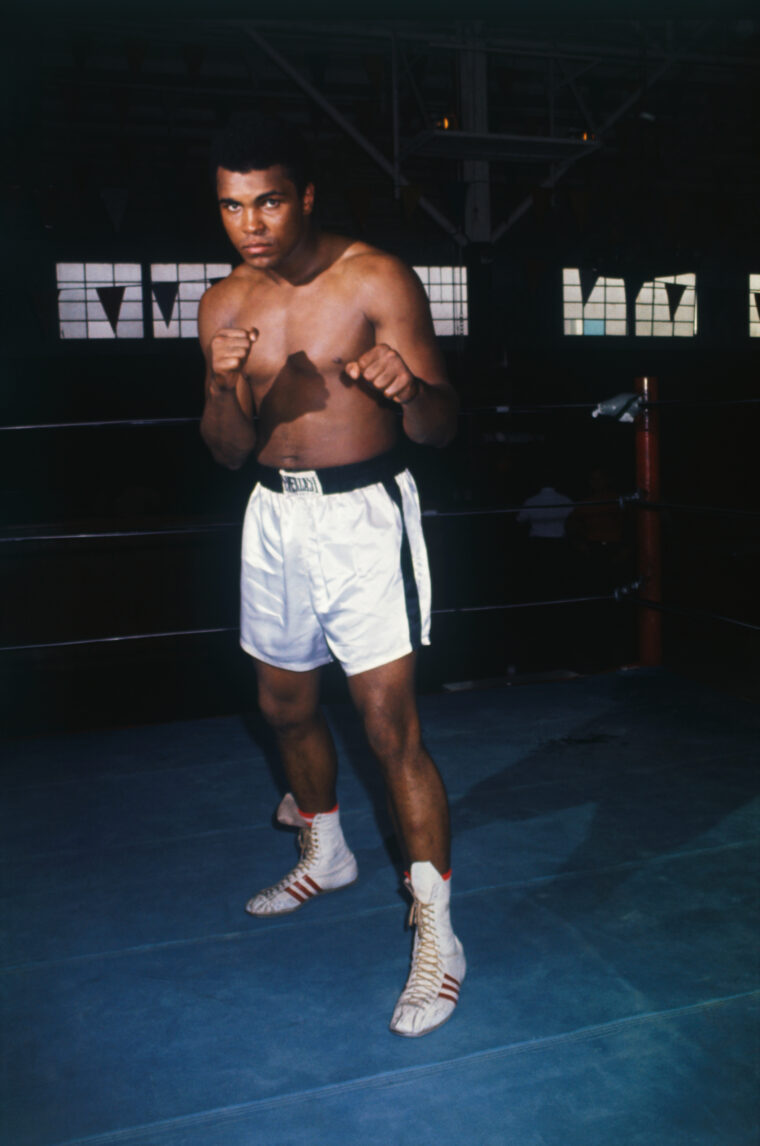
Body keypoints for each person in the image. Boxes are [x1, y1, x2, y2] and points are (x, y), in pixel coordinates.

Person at [199, 111, 464, 1037]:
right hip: (273, 514)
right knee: (284, 708)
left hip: (365, 516)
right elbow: (226, 452)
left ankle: (437, 931)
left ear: (304, 195)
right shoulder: (223, 305)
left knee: (391, 726)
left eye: (268, 201)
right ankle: (328, 847)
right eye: (233, 207)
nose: (252, 225)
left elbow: (441, 426)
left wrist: (409, 390)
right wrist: (223, 390)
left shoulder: (376, 278)